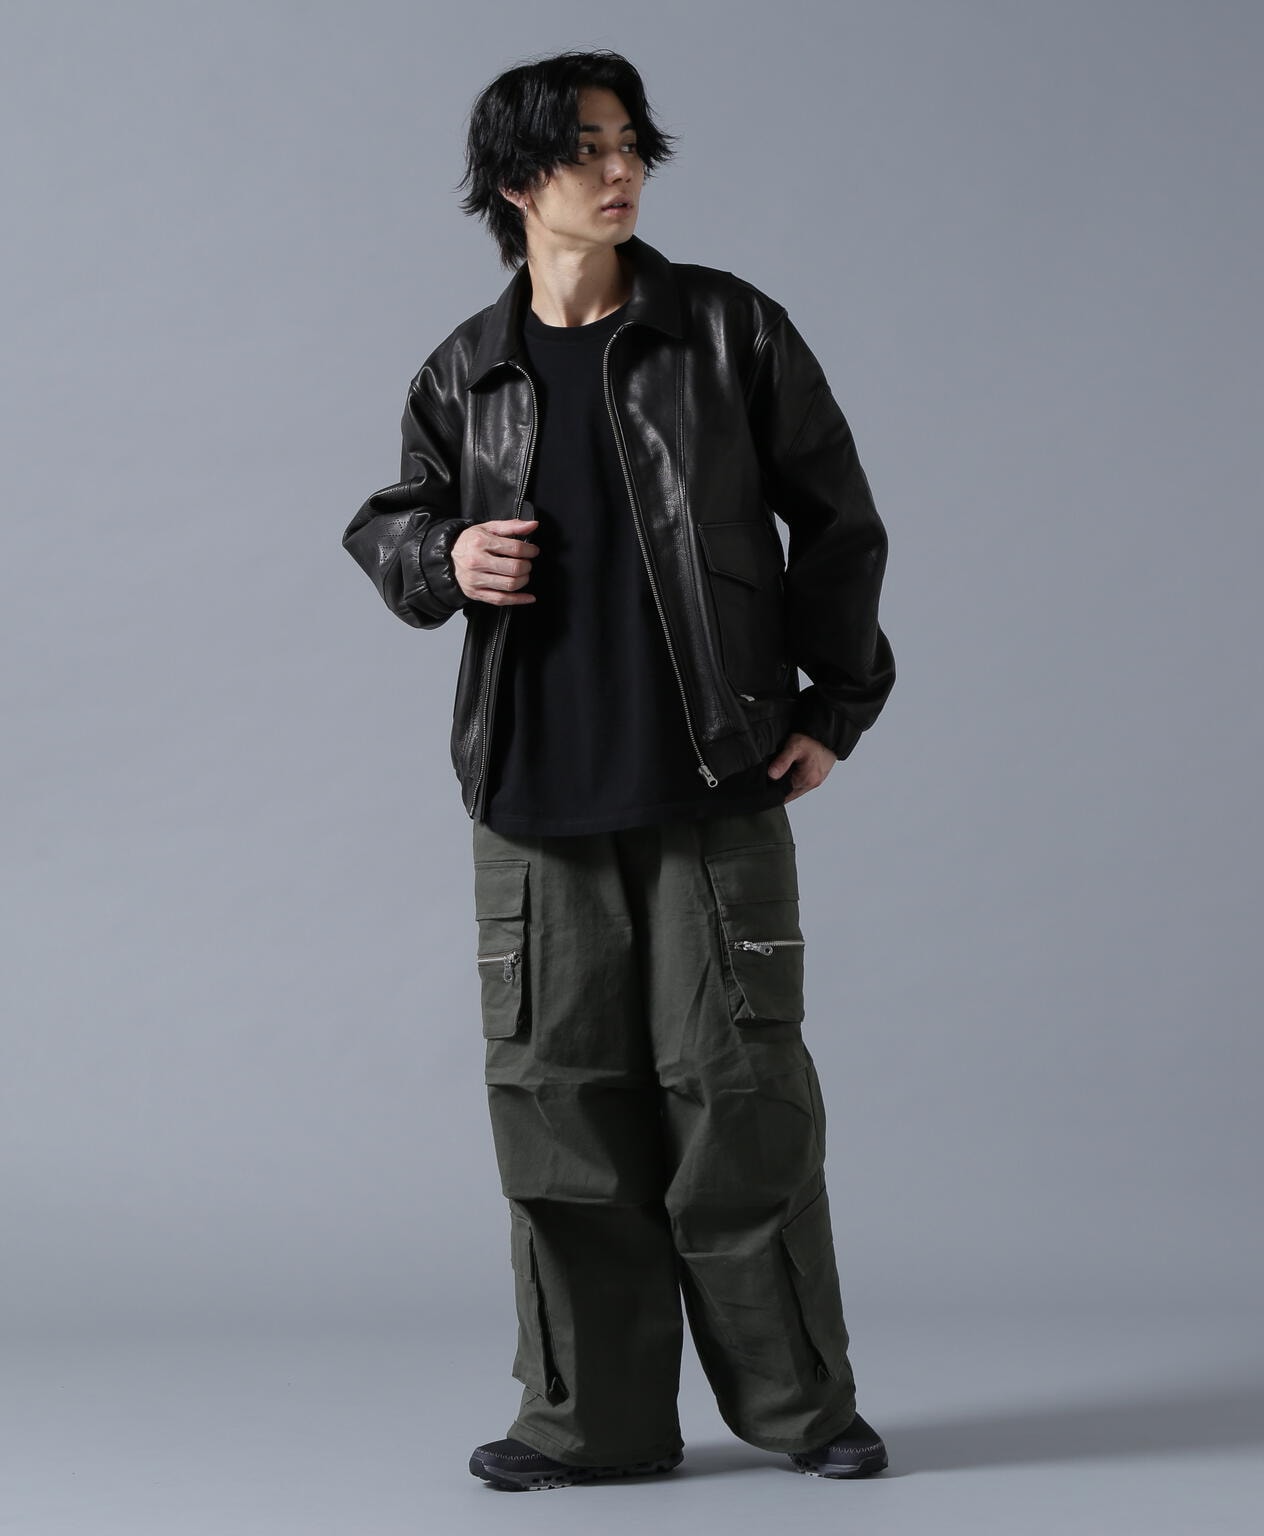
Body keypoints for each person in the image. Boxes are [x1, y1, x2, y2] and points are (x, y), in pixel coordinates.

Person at [341, 48, 896, 1491]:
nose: (621, 166)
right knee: (557, 1114)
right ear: (516, 181)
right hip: (533, 796)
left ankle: (804, 1413)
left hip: (714, 781)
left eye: (630, 140)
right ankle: (589, 1425)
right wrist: (444, 554)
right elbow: (389, 521)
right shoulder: (467, 369)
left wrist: (837, 704)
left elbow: (839, 518)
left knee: (743, 1101)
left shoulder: (729, 330)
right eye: (587, 146)